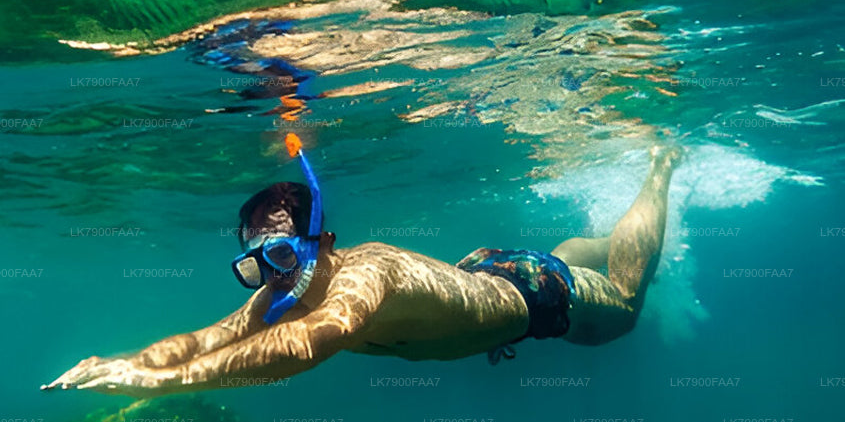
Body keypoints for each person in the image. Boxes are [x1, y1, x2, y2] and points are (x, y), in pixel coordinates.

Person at [42, 134, 680, 396]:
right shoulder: (280, 291)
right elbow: (209, 338)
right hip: (483, 272)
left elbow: (311, 343)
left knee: (624, 304)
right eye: (256, 266)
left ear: (323, 241)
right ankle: (587, 241)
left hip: (536, 294)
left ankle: (660, 167)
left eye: (282, 254)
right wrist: (129, 361)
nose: (272, 278)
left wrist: (163, 385)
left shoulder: (363, 276)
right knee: (570, 266)